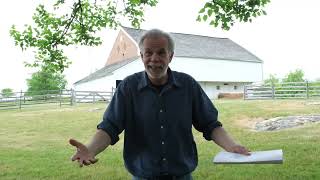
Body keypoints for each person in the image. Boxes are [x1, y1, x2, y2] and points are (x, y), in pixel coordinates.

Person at [69, 29, 250, 180]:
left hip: (182, 176)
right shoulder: (128, 88)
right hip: (143, 176)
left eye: (161, 52)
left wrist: (231, 146)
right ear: (141, 56)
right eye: (148, 52)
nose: (154, 58)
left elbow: (210, 125)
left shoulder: (188, 85)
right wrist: (90, 149)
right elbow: (110, 127)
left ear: (170, 56)